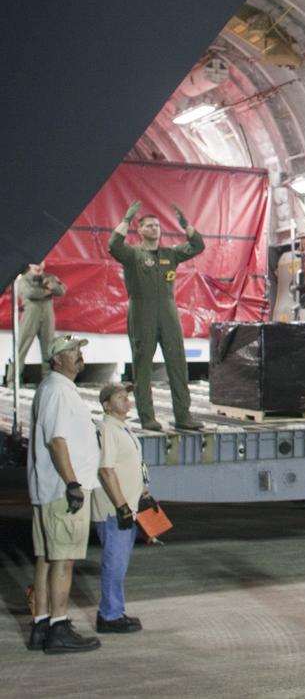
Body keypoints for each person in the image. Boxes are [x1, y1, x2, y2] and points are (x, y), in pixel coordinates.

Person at [27, 334, 102, 653]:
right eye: (72, 351)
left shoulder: (54, 389)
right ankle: (59, 627)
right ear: (57, 360)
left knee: (47, 558)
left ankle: (42, 625)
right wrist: (72, 483)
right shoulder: (58, 391)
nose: (79, 354)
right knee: (64, 560)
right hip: (62, 491)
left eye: (79, 350)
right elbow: (57, 440)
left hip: (50, 489)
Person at [109, 200, 205, 431]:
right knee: (142, 366)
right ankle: (147, 416)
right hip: (142, 312)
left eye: (157, 226)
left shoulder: (170, 254)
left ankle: (183, 416)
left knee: (178, 364)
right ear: (139, 230)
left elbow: (198, 245)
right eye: (149, 225)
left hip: (168, 312)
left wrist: (186, 225)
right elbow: (114, 245)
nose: (154, 229)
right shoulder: (133, 255)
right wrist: (126, 219)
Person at [91, 383, 149, 634]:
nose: (127, 401)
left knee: (120, 563)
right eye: (120, 397)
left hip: (126, 507)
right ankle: (109, 615)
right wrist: (122, 506)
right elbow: (106, 470)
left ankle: (116, 610)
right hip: (114, 510)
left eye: (127, 397)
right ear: (106, 404)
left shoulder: (122, 428)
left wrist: (143, 493)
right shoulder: (106, 429)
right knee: (114, 563)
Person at [14, 262, 67, 382]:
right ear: (30, 264)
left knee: (49, 347)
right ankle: (13, 378)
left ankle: (48, 377)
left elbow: (62, 290)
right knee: (22, 345)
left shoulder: (49, 277)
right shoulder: (24, 278)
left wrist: (52, 286)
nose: (39, 264)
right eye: (36, 262)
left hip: (47, 314)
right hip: (30, 314)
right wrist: (47, 292)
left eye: (41, 262)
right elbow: (29, 293)